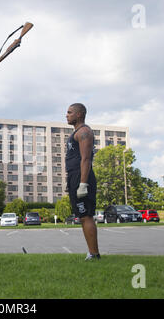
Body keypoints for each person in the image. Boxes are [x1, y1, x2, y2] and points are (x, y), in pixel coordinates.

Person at [65, 103, 100, 261]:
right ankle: (92, 253)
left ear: (79, 114)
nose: (67, 115)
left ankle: (94, 254)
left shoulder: (84, 131)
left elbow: (86, 159)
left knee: (86, 215)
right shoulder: (77, 132)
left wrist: (83, 183)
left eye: (70, 112)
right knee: (82, 215)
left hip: (81, 176)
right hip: (74, 176)